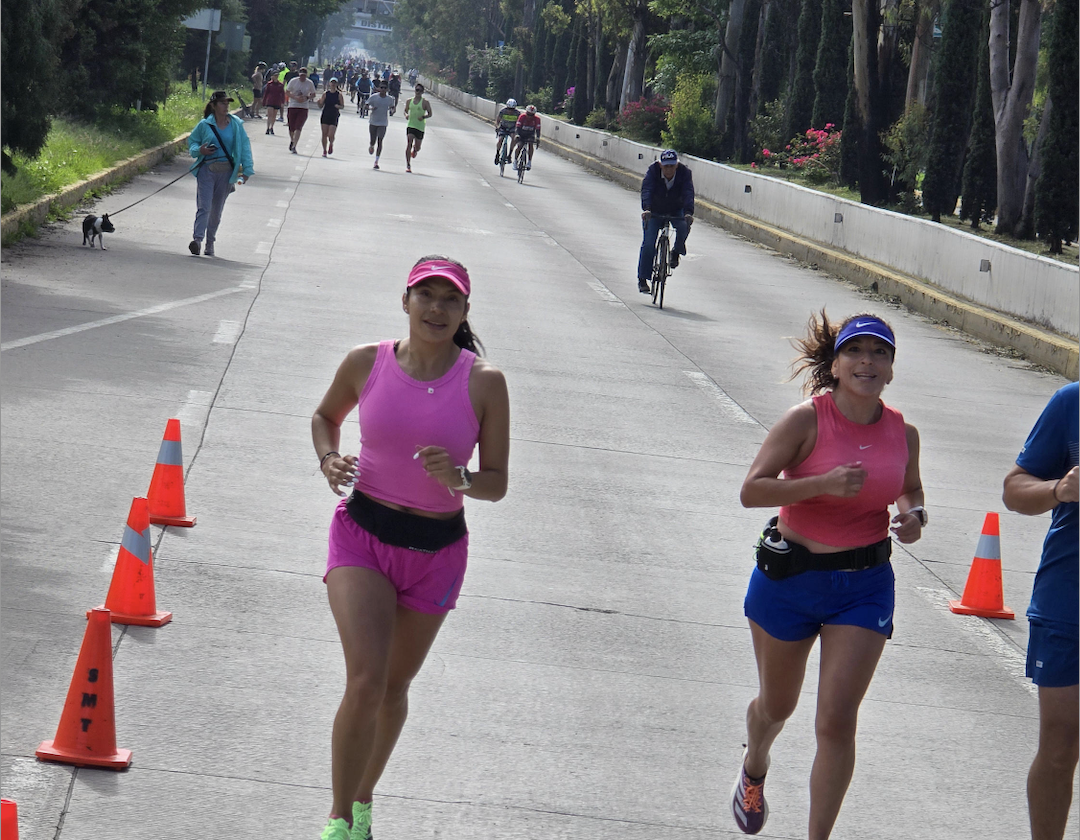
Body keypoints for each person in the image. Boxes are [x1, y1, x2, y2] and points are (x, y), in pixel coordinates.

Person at [311, 256, 510, 840]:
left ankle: (365, 800)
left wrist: (462, 478)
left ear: (465, 312)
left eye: (450, 300)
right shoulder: (365, 362)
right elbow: (325, 416)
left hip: (436, 551)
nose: (437, 308)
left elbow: (496, 482)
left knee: (395, 687)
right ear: (405, 301)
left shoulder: (485, 383)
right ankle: (339, 820)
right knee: (367, 679)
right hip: (363, 533)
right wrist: (329, 458)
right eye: (426, 295)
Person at [734, 312, 924, 838]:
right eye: (856, 352)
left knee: (836, 721)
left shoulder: (902, 431)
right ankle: (755, 764)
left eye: (879, 353)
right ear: (836, 364)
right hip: (791, 581)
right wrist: (819, 484)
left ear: (890, 369)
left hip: (863, 587)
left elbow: (911, 486)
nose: (868, 362)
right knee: (777, 705)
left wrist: (915, 516)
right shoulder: (805, 421)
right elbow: (753, 490)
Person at [1002, 382, 1078, 840]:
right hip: (1068, 601)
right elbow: (1014, 490)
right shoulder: (1071, 402)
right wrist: (1059, 488)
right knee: (1059, 745)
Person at [187, 91, 254, 257]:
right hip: (207, 170)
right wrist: (199, 150)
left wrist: (246, 170)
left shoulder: (236, 124)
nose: (226, 106)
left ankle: (210, 242)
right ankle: (197, 240)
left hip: (226, 172)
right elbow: (193, 142)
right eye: (223, 103)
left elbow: (244, 146)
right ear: (214, 105)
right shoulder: (205, 125)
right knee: (204, 206)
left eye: (227, 103)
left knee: (216, 211)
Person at [636, 149, 694, 294]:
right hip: (654, 210)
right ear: (661, 165)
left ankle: (676, 252)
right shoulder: (653, 171)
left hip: (675, 209)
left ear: (676, 165)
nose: (669, 170)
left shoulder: (684, 173)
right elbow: (647, 189)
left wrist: (688, 213)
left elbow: (688, 192)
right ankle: (643, 279)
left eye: (672, 166)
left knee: (683, 226)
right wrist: (647, 209)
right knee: (649, 243)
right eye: (666, 166)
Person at [286, 66, 317, 154]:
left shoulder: (309, 83)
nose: (302, 77)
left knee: (298, 127)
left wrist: (307, 97)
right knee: (291, 127)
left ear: (306, 75)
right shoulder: (293, 81)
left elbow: (313, 94)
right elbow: (287, 92)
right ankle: (292, 140)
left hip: (303, 107)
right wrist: (295, 97)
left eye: (303, 75)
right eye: (301, 75)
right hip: (293, 105)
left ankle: (295, 145)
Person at [403, 83, 432, 173]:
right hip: (411, 125)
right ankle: (408, 165)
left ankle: (415, 150)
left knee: (418, 147)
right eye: (417, 90)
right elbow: (405, 110)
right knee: (409, 143)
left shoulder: (425, 102)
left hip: (420, 127)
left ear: (422, 92)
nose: (418, 92)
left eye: (420, 90)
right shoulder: (409, 101)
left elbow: (430, 114)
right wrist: (406, 115)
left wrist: (423, 117)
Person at [366, 81, 394, 169]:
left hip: (383, 123)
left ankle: (376, 161)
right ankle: (371, 146)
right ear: (379, 88)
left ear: (387, 89)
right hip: (373, 121)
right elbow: (366, 105)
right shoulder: (374, 97)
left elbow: (392, 107)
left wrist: (392, 111)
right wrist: (371, 108)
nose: (383, 90)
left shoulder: (390, 99)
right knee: (373, 140)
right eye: (381, 88)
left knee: (380, 140)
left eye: (385, 88)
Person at [508, 104, 541, 172]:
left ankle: (529, 161)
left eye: (532, 115)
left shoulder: (537, 119)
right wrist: (517, 135)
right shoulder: (522, 117)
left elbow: (538, 129)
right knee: (519, 146)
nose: (529, 116)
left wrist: (538, 138)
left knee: (531, 145)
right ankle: (515, 161)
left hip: (530, 134)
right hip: (521, 133)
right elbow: (517, 128)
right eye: (528, 114)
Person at [318, 78, 345, 157]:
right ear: (329, 83)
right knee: (324, 134)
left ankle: (331, 143)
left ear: (337, 84)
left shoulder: (339, 94)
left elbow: (342, 106)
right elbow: (321, 105)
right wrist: (318, 102)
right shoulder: (325, 93)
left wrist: (338, 106)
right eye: (332, 82)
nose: (333, 84)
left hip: (334, 115)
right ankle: (324, 150)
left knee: (331, 134)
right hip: (325, 115)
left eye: (335, 83)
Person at [494, 98, 519, 164]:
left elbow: (519, 123)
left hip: (512, 128)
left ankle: (509, 154)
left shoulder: (517, 113)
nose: (510, 111)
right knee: (500, 139)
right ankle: (497, 153)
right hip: (503, 127)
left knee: (514, 139)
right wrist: (497, 127)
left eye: (512, 109)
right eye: (509, 109)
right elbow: (497, 121)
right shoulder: (502, 111)